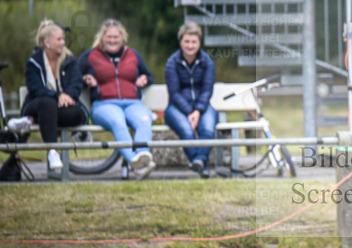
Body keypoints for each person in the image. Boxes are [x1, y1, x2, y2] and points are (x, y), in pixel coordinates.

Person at [7, 20, 90, 175]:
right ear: (47, 42)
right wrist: (58, 95)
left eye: (63, 39)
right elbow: (36, 89)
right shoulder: (33, 63)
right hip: (38, 104)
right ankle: (53, 150)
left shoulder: (70, 60)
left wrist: (68, 95)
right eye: (59, 39)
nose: (63, 43)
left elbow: (76, 83)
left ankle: (29, 121)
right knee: (47, 103)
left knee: (75, 113)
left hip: (59, 110)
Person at [79, 19, 157, 179]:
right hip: (104, 104)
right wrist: (85, 79)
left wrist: (144, 80)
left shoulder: (133, 54)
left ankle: (142, 159)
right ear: (102, 38)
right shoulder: (90, 56)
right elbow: (74, 76)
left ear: (122, 37)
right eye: (109, 37)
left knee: (144, 119)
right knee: (118, 121)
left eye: (116, 37)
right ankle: (134, 162)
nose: (112, 41)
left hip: (133, 103)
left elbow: (148, 75)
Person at [165, 21, 217, 178]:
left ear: (199, 42)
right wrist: (189, 112)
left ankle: (199, 161)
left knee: (207, 128)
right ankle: (202, 163)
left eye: (194, 42)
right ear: (180, 41)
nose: (190, 45)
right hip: (177, 107)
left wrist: (198, 111)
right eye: (186, 41)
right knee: (186, 130)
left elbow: (207, 90)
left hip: (202, 106)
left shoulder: (207, 61)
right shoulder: (172, 62)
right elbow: (174, 93)